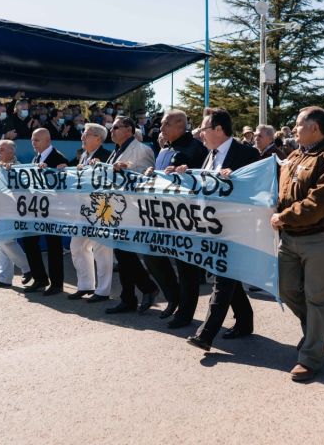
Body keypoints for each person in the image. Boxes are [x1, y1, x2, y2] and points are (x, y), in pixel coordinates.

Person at [270, 106, 324, 382]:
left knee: (318, 297)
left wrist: (283, 217)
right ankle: (314, 332)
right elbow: (280, 192)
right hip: (290, 236)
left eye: (298, 125)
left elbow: (322, 202)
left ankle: (311, 357)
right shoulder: (294, 155)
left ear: (315, 128)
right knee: (286, 287)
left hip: (321, 238)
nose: (294, 129)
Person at [187, 108, 260, 352]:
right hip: (212, 224)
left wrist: (236, 179)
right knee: (228, 276)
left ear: (219, 130)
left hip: (237, 226)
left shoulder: (246, 153)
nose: (200, 133)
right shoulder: (210, 155)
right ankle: (245, 320)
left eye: (204, 129)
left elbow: (260, 186)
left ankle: (206, 334)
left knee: (222, 276)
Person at [144, 110, 208, 326]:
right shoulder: (164, 149)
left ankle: (185, 313)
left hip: (185, 217)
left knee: (186, 266)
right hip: (160, 214)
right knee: (151, 256)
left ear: (180, 125)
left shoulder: (196, 148)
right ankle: (173, 298)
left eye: (165, 124)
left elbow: (201, 178)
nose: (161, 129)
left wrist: (185, 172)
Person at [100, 116, 160, 315]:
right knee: (122, 254)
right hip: (115, 208)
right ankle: (128, 298)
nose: (112, 131)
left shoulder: (143, 149)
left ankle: (147, 288)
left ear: (129, 129)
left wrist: (128, 169)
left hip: (132, 209)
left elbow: (147, 178)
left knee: (126, 254)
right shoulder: (115, 151)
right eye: (112, 127)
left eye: (116, 127)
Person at [68, 123, 113, 302]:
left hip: (102, 208)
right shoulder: (83, 156)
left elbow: (111, 179)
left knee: (102, 250)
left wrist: (101, 167)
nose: (82, 137)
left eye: (86, 135)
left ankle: (103, 291)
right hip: (82, 209)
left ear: (98, 138)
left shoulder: (106, 156)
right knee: (77, 246)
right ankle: (85, 285)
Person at [22, 128, 68, 296]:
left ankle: (57, 284)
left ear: (47, 140)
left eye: (37, 140)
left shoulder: (59, 158)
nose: (33, 143)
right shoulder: (36, 158)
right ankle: (40, 278)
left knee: (54, 245)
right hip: (37, 209)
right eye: (32, 140)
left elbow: (64, 183)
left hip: (54, 210)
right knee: (29, 241)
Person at [0, 140, 32, 288]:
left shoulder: (19, 168)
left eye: (3, 149)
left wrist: (10, 171)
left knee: (6, 241)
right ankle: (3, 278)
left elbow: (24, 189)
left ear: (12, 152)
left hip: (10, 210)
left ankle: (28, 267)